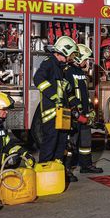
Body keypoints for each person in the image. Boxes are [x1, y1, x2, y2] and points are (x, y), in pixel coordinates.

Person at [33, 35, 78, 178]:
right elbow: (38, 79)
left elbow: (61, 87)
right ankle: (43, 171)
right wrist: (53, 95)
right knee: (50, 142)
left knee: (62, 142)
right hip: (51, 112)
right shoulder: (49, 62)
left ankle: (57, 170)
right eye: (71, 54)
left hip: (62, 112)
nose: (72, 57)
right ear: (64, 51)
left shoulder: (60, 67)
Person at [64, 44, 103, 174]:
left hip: (84, 114)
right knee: (71, 143)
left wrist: (90, 109)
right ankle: (66, 169)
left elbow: (85, 94)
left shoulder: (82, 73)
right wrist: (75, 110)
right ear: (78, 58)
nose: (86, 62)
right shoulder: (68, 72)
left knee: (86, 142)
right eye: (85, 59)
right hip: (74, 114)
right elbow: (67, 93)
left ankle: (86, 166)